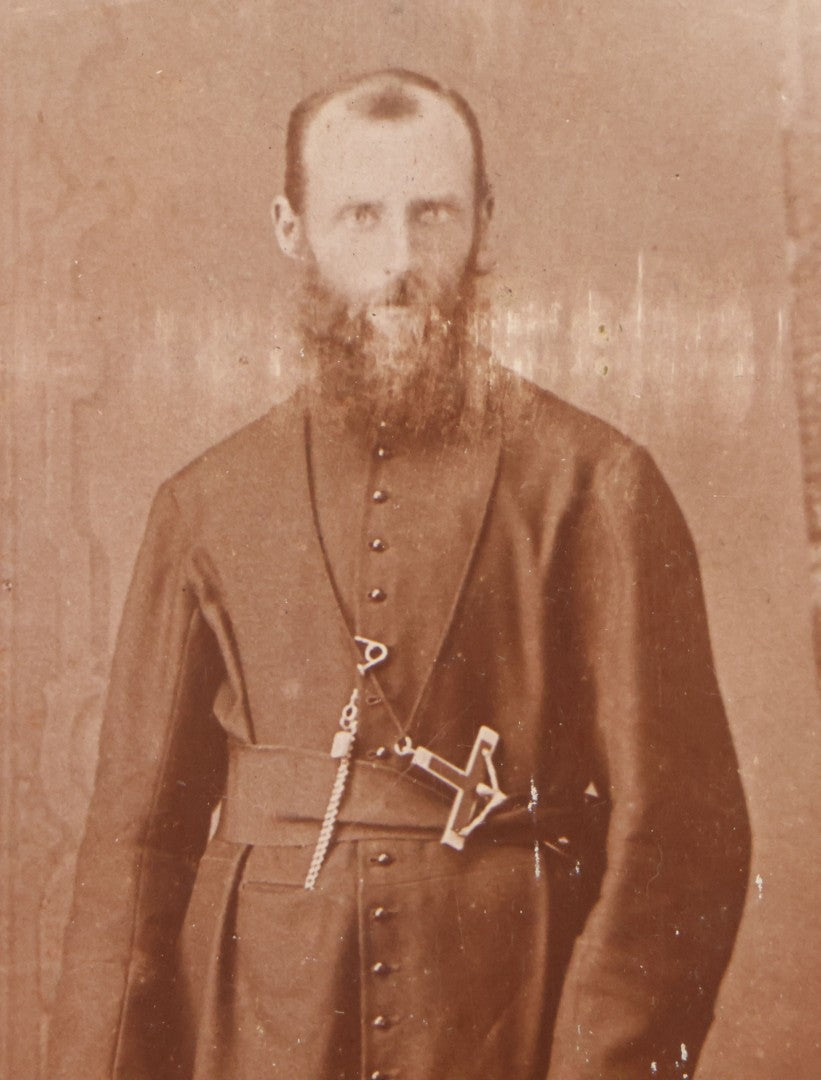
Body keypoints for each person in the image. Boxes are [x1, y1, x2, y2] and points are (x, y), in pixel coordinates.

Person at [49, 69, 751, 1080]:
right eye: (359, 216)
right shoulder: (201, 504)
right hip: (260, 1023)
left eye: (432, 214)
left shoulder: (598, 485)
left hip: (509, 1007)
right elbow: (133, 849)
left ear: (481, 221)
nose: (399, 261)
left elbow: (678, 839)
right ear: (291, 228)